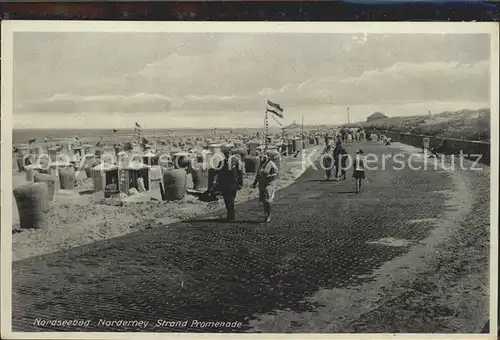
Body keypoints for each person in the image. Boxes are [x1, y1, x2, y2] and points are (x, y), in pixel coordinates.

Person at [214, 144, 244, 221]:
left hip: (233, 183)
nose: (226, 154)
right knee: (227, 199)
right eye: (225, 153)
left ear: (230, 152)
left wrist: (240, 183)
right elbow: (218, 173)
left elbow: (240, 172)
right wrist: (217, 182)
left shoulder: (236, 160)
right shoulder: (222, 162)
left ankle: (231, 216)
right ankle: (230, 214)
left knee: (230, 199)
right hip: (225, 184)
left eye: (227, 152)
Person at [252, 151, 279, 223]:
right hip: (262, 184)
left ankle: (269, 215)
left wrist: (270, 176)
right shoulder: (261, 165)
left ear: (268, 157)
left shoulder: (271, 164)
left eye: (265, 157)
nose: (263, 159)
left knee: (268, 200)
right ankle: (266, 215)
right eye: (262, 157)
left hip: (269, 184)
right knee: (264, 200)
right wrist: (254, 183)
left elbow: (276, 173)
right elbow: (258, 174)